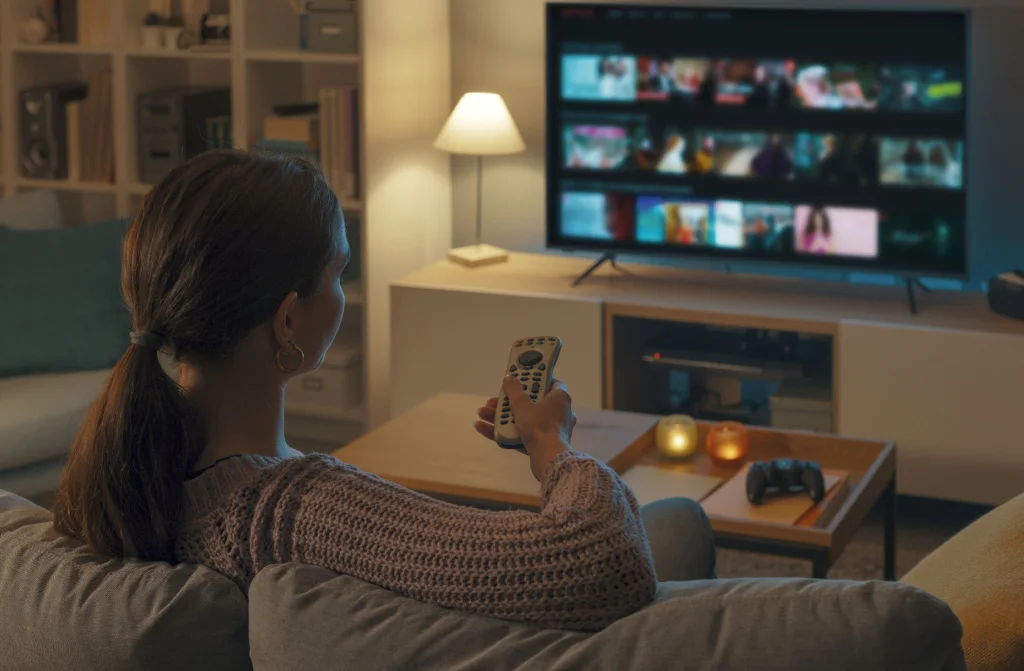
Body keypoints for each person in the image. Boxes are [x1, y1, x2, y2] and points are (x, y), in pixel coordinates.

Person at [51, 150, 716, 632]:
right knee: (677, 522)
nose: (342, 292)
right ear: (287, 321)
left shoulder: (118, 476)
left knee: (671, 523)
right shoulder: (296, 512)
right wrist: (550, 443)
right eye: (338, 274)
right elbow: (604, 562)